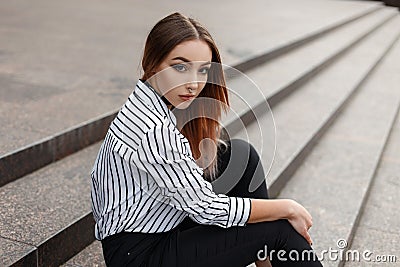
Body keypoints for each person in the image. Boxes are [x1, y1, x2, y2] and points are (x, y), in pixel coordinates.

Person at [90, 12, 322, 267]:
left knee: (240, 157)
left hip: (155, 230)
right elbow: (204, 207)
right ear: (152, 63)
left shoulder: (147, 102)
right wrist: (287, 207)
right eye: (179, 67)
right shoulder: (153, 129)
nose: (193, 83)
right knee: (279, 229)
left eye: (202, 70)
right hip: (141, 256)